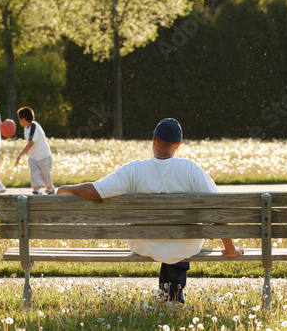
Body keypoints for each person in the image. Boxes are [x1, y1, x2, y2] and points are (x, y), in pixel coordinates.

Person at [57, 118, 243, 303]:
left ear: (153, 139)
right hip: (186, 244)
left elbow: (96, 192)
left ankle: (170, 296)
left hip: (144, 244)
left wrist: (69, 188)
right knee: (175, 240)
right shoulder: (191, 169)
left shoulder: (134, 170)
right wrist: (230, 249)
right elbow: (218, 208)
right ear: (178, 145)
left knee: (164, 240)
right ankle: (173, 297)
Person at [15, 106, 54, 194]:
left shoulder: (34, 127)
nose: (19, 121)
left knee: (46, 176)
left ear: (24, 119)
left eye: (19, 119)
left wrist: (20, 155)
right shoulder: (26, 129)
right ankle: (36, 190)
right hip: (33, 157)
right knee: (34, 174)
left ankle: (50, 189)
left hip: (44, 157)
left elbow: (30, 143)